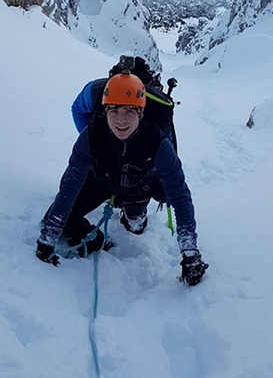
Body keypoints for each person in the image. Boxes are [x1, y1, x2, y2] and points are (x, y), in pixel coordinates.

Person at [36, 71, 208, 286]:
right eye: (114, 110)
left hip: (140, 188)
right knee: (53, 219)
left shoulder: (156, 141)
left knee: (135, 225)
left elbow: (180, 195)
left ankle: (135, 217)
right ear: (105, 111)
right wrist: (49, 236)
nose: (121, 119)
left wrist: (190, 253)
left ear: (141, 112)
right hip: (101, 182)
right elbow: (70, 185)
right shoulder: (91, 136)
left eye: (129, 110)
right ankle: (98, 238)